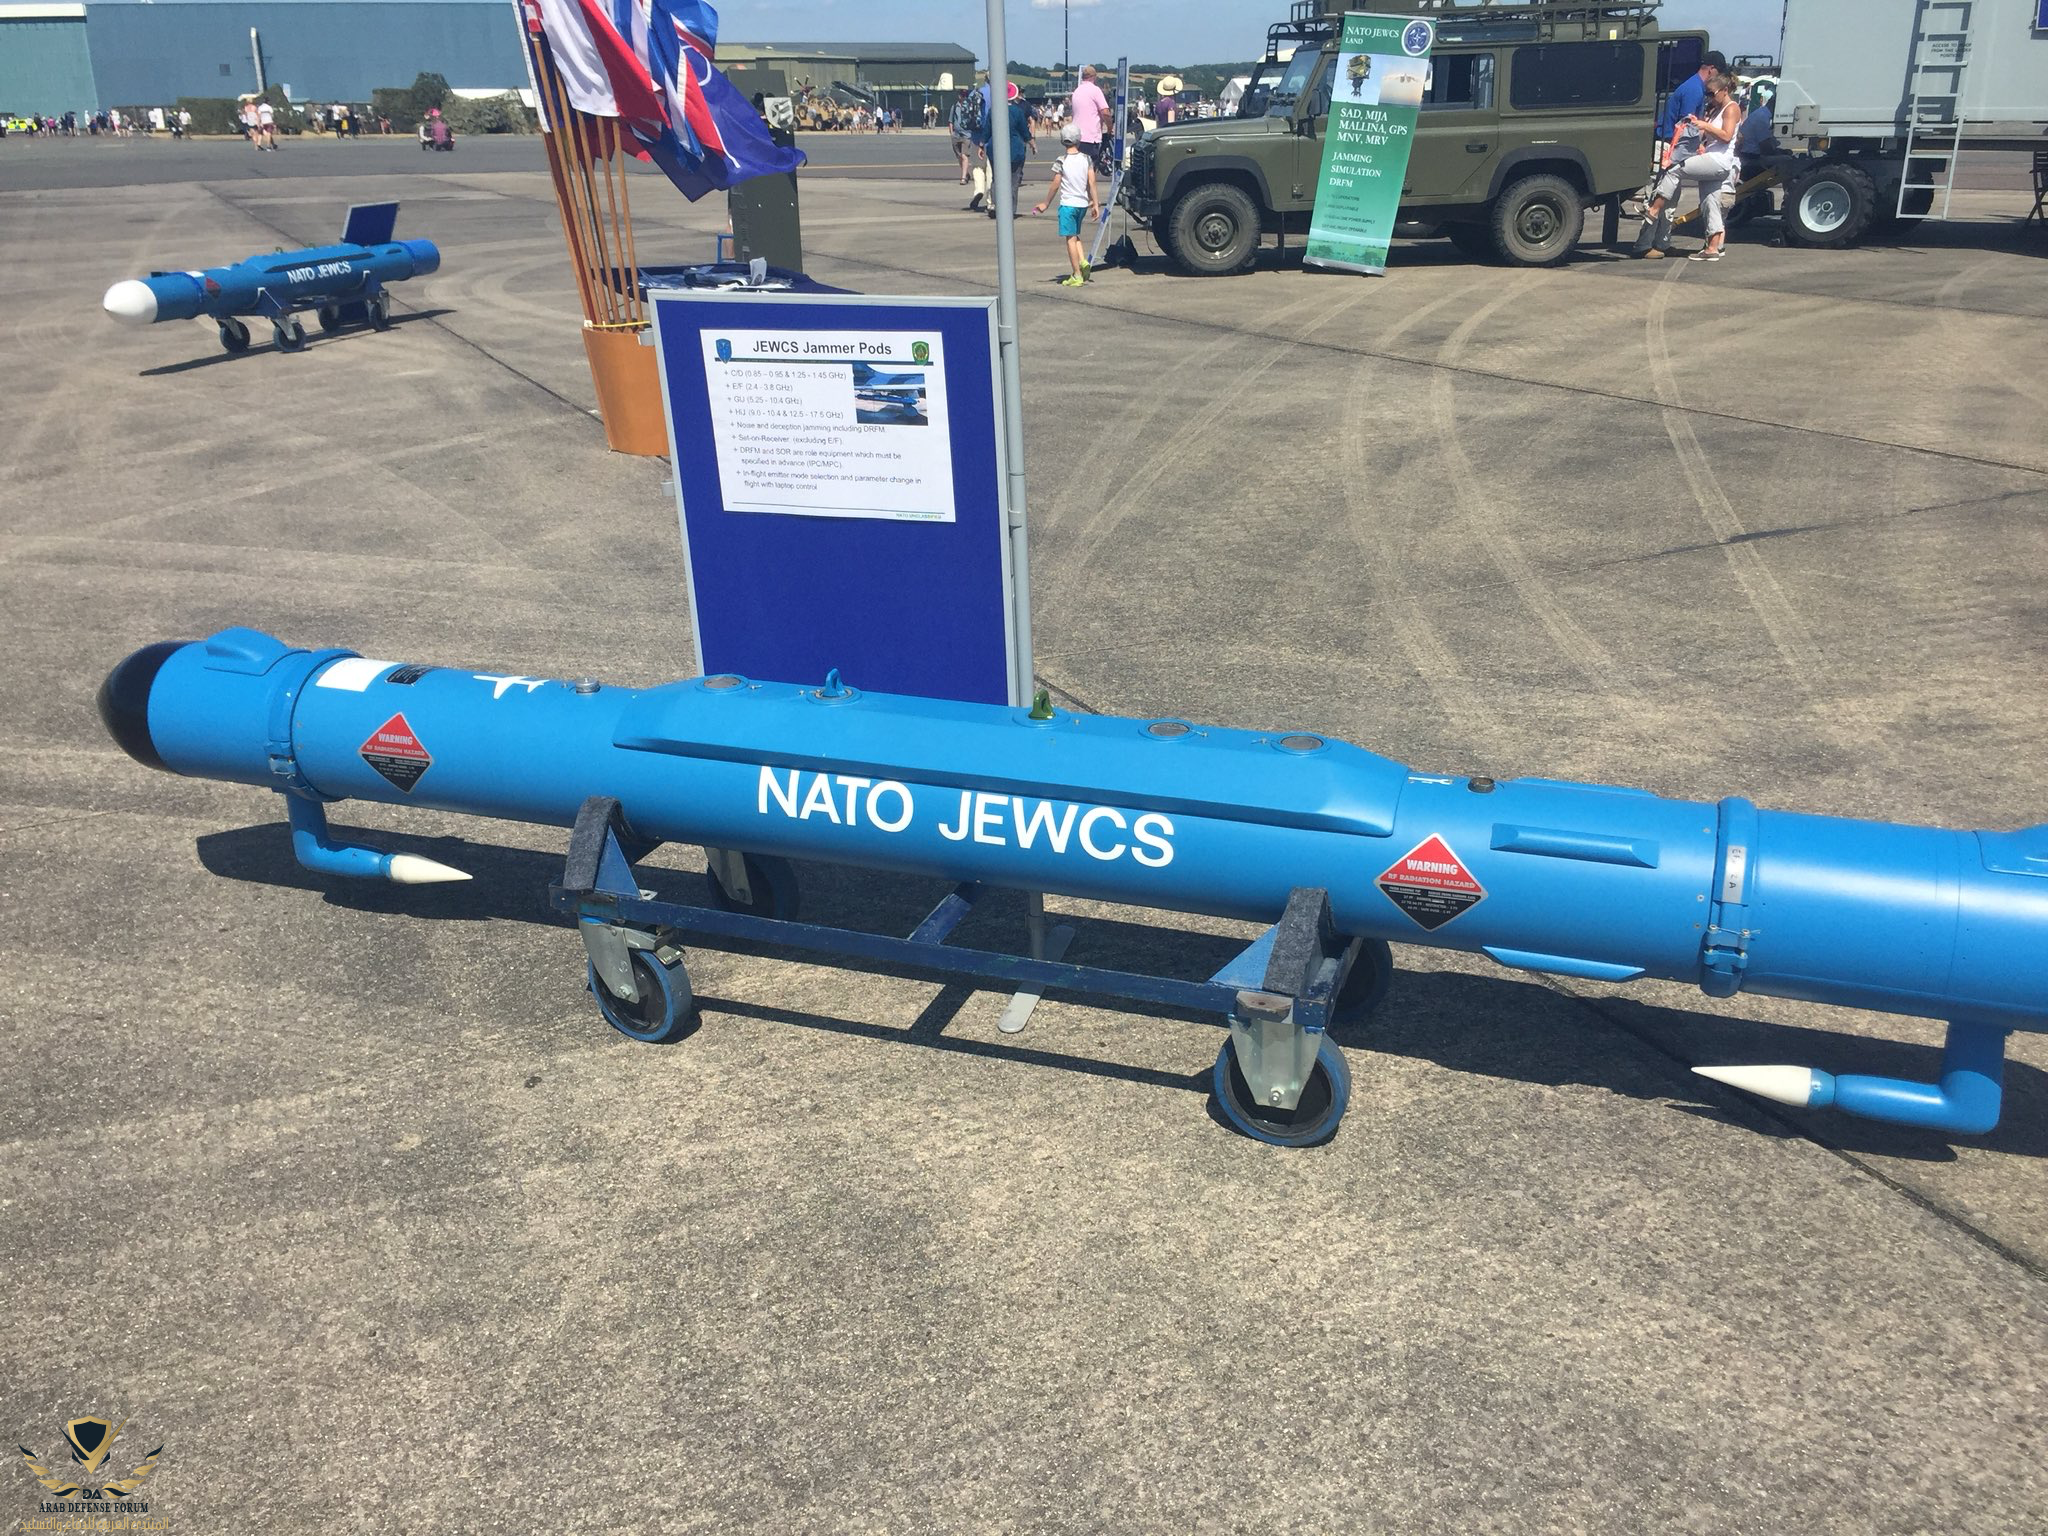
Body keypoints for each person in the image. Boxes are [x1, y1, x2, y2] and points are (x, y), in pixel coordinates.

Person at [1640, 74, 1742, 261]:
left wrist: (1705, 126)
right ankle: (1713, 247)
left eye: (1711, 94)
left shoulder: (1731, 108)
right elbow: (1712, 137)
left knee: (1675, 169)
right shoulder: (1717, 109)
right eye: (1706, 94)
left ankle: (1654, 209)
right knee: (1710, 203)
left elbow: (1726, 136)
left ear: (1725, 90)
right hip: (1714, 159)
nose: (1709, 98)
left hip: (1719, 160)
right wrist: (1700, 132)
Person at [1033, 124, 1101, 286]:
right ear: (1079, 140)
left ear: (1063, 141)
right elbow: (1092, 182)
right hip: (1082, 204)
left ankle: (1076, 274)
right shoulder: (1086, 159)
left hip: (1068, 205)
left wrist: (1046, 203)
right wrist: (1095, 203)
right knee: (1075, 234)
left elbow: (1055, 184)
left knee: (1070, 239)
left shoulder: (1061, 161)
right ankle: (1083, 261)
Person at [972, 80, 1033, 219]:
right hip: (1015, 150)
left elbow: (987, 131)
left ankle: (995, 205)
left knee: (996, 179)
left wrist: (981, 145)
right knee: (1013, 181)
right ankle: (1010, 209)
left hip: (995, 150)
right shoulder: (1017, 112)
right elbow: (1024, 131)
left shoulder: (993, 111)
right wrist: (1032, 142)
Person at [1657, 49, 1726, 141]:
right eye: (1719, 72)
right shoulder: (1694, 89)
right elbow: (1686, 125)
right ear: (1711, 69)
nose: (1719, 77)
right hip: (1670, 139)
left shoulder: (1695, 85)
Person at [1069, 64, 1110, 170]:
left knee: (1078, 170)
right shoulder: (1095, 90)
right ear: (1094, 77)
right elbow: (1105, 112)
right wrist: (1110, 128)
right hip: (1090, 137)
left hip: (1076, 136)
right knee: (1090, 170)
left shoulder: (1076, 91)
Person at [948, 89, 977, 185]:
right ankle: (966, 173)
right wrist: (951, 132)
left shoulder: (970, 106)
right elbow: (951, 120)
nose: (963, 97)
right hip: (956, 134)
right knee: (959, 156)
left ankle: (963, 178)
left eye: (965, 95)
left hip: (966, 134)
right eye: (962, 95)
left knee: (964, 155)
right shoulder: (954, 106)